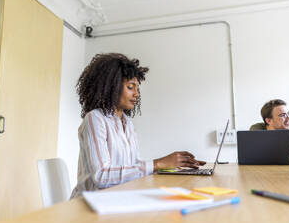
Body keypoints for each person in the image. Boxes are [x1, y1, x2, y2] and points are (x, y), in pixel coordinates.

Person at [70, 53, 205, 198]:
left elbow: (132, 165)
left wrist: (170, 166)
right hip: (89, 204)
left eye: (137, 88)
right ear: (111, 87)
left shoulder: (127, 123)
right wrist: (157, 164)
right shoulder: (95, 119)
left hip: (118, 199)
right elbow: (101, 176)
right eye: (130, 87)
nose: (137, 94)